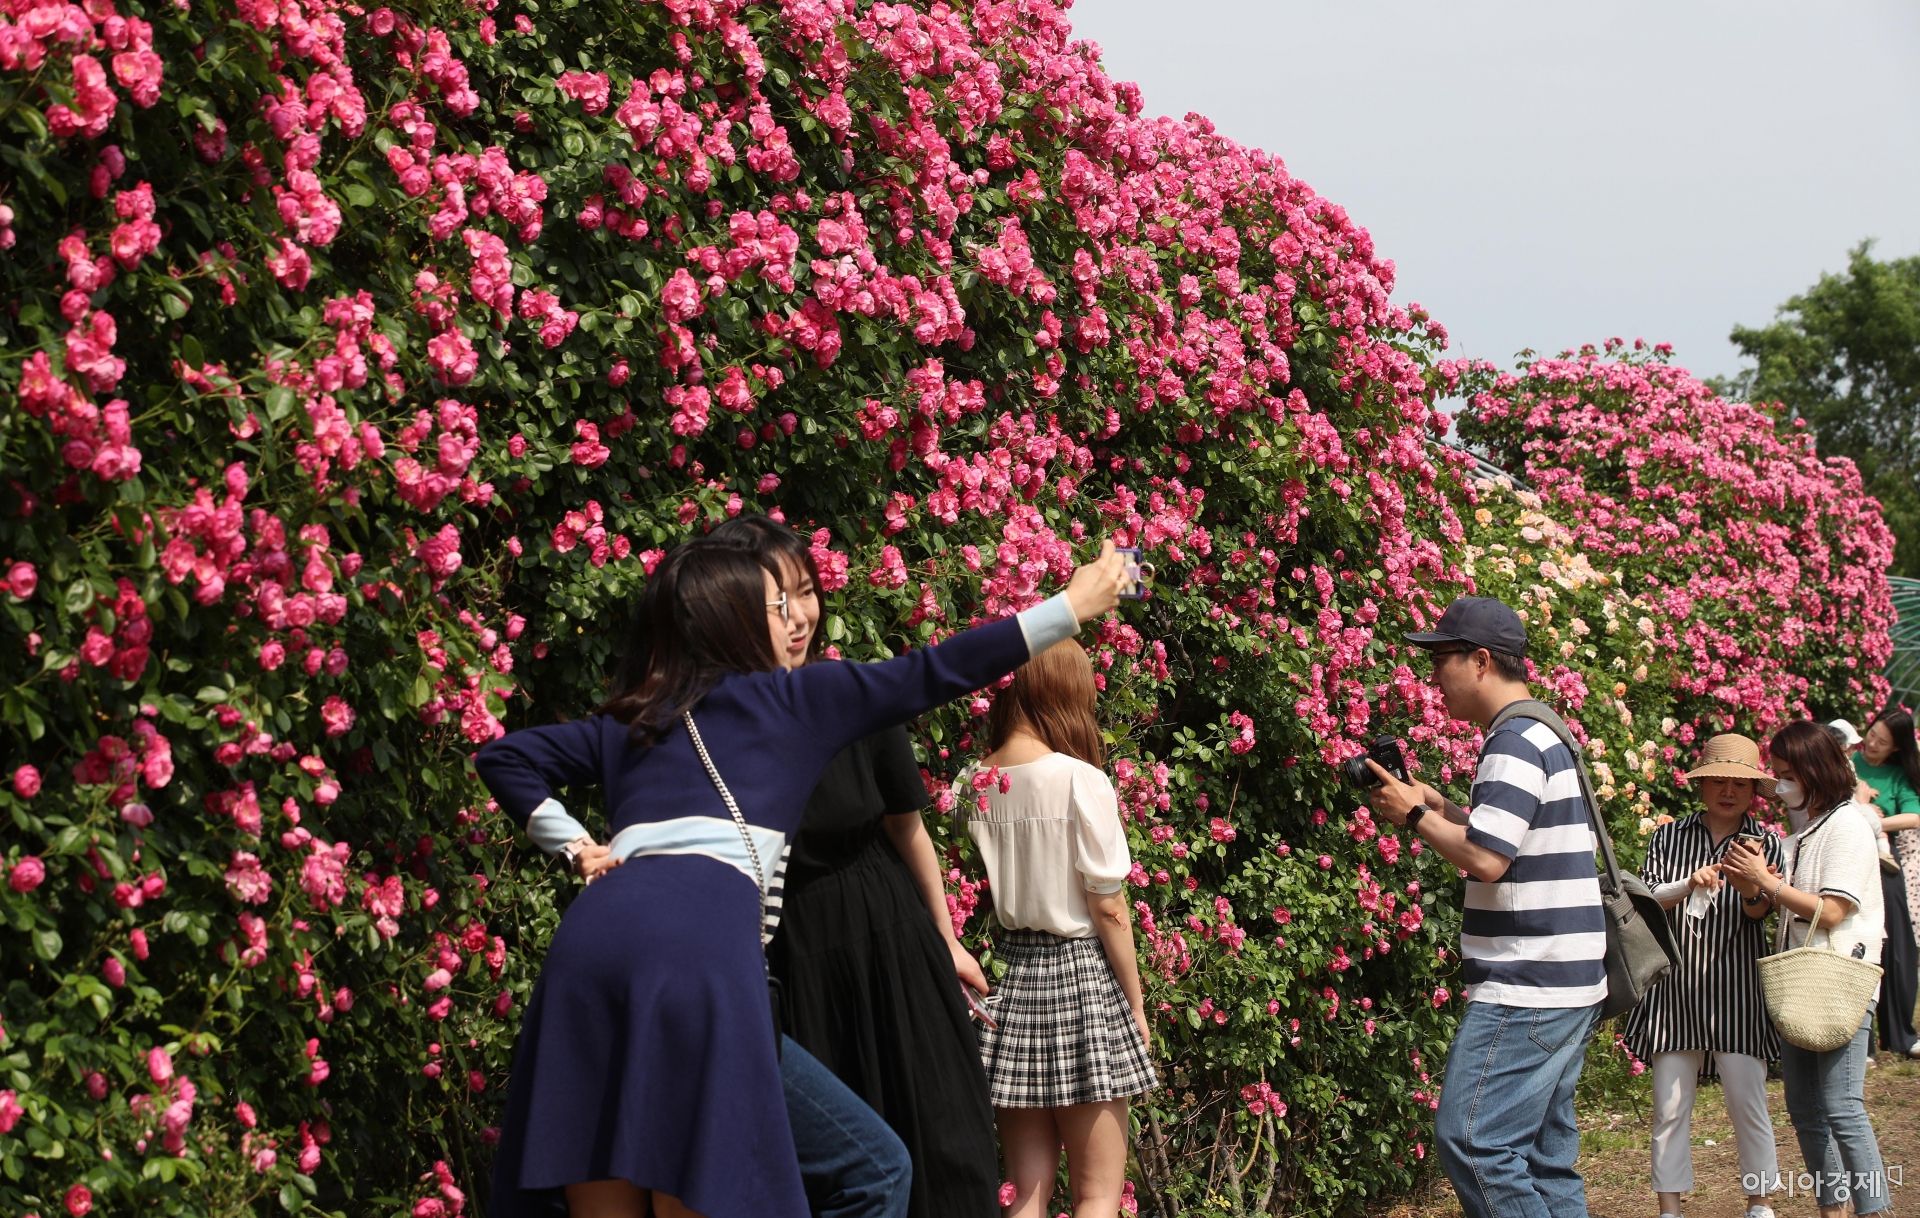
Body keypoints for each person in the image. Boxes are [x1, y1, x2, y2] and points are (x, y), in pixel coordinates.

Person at [473, 537, 1130, 1218]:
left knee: (606, 1183)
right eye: (774, 603)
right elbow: (934, 670)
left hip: (589, 955)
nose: (796, 617)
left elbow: (504, 758)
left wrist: (577, 846)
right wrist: (1070, 607)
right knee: (817, 1174)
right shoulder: (794, 701)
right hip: (697, 964)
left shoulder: (635, 720)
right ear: (727, 617)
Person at [710, 515, 1000, 1218]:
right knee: (839, 1160)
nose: (799, 615)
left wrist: (947, 937)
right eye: (777, 600)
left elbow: (908, 829)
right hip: (795, 951)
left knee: (942, 1131)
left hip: (889, 931)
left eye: (805, 593)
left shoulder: (852, 694)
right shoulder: (716, 723)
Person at [1364, 596, 1608, 1218]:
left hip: (1529, 981)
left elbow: (1487, 862)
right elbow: (1506, 841)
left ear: (1479, 661)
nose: (1433, 676)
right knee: (1545, 1157)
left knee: (1474, 1141)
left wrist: (1414, 816)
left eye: (1441, 658)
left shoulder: (1513, 742)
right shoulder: (1544, 730)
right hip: (1569, 978)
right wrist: (1443, 808)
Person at [961, 640, 1154, 1218]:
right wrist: (1137, 1004)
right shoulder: (1079, 779)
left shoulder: (974, 782)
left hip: (1012, 982)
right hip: (1081, 983)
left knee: (1027, 1192)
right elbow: (1109, 908)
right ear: (1066, 691)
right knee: (1097, 1194)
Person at [1721, 721, 1891, 1218]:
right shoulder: (1806, 833)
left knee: (1841, 1106)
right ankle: (1832, 1208)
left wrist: (1765, 884)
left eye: (1788, 775)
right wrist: (1758, 882)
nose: (1780, 786)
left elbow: (1833, 910)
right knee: (1806, 1109)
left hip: (1838, 978)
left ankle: (1874, 1208)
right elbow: (1783, 906)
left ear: (1815, 772)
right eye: (1777, 776)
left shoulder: (1847, 826)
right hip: (1802, 982)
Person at [1620, 734, 1782, 1218]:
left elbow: (1760, 913)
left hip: (1739, 990)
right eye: (1718, 781)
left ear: (1753, 790)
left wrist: (1752, 885)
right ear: (1702, 784)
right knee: (1669, 1108)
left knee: (1747, 1102)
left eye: (1739, 783)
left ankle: (1760, 1204)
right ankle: (1670, 1208)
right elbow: (1644, 900)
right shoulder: (1669, 836)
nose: (1728, 791)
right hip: (1676, 988)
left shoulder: (1764, 842)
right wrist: (1689, 883)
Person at [1853, 709, 1920, 1059]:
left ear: (1896, 749)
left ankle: (1900, 1035)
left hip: (1883, 860)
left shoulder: (1897, 776)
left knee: (1897, 944)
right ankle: (1859, 1041)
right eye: (1871, 732)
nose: (1872, 742)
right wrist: (1862, 812)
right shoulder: (1849, 761)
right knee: (1856, 944)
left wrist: (1876, 820)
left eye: (1881, 741)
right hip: (1848, 853)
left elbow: (1914, 815)